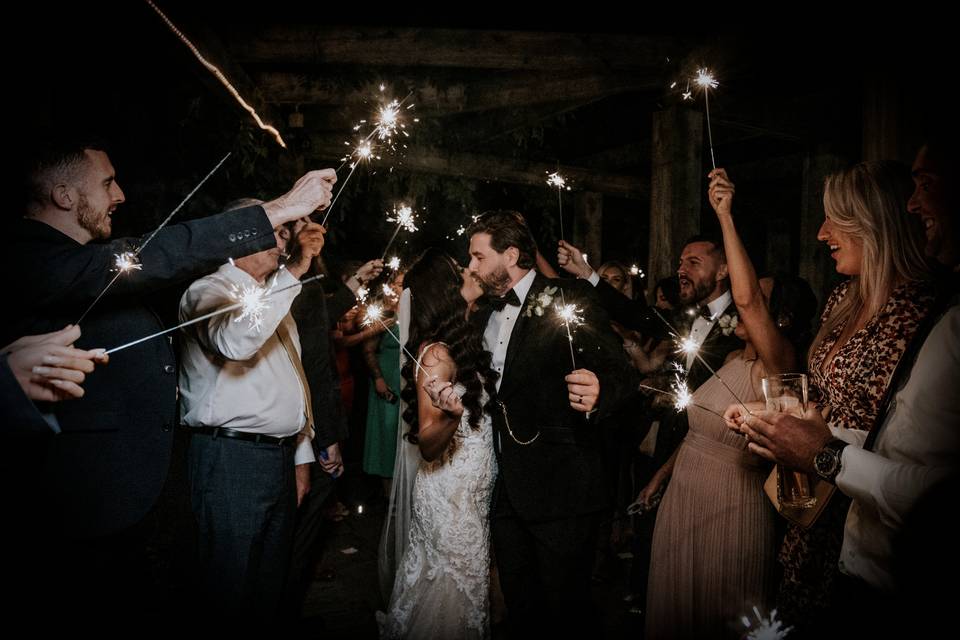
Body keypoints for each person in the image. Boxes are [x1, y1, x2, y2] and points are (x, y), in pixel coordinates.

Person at [3, 136, 335, 622]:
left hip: (131, 497)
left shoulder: (85, 268)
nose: (120, 195)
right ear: (65, 195)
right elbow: (159, 257)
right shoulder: (29, 257)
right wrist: (281, 207)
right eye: (107, 182)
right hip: (85, 500)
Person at [733, 140, 958, 634]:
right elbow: (827, 399)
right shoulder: (842, 299)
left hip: (862, 516)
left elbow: (888, 431)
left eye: (834, 220)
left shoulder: (923, 308)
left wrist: (822, 448)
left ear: (876, 224)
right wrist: (777, 419)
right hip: (807, 497)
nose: (820, 233)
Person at [645, 168, 817, 639]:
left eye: (756, 302)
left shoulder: (778, 365)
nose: (745, 306)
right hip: (684, 500)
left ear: (777, 316)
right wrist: (661, 478)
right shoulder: (731, 359)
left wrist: (724, 215)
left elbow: (744, 298)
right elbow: (698, 430)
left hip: (730, 509)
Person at [466, 210, 634, 636]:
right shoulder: (484, 315)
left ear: (511, 255)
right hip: (505, 490)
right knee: (521, 610)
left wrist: (600, 390)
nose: (471, 268)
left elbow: (621, 371)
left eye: (478, 257)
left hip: (563, 491)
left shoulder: (567, 299)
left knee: (565, 611)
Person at [178, 213, 325, 622]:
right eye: (273, 232)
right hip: (230, 459)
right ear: (235, 238)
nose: (282, 241)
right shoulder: (206, 291)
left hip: (276, 460)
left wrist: (300, 458)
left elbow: (293, 380)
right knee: (228, 590)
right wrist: (295, 270)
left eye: (282, 232)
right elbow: (235, 340)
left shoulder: (273, 296)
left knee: (267, 590)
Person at [378, 248, 499, 639]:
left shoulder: (458, 343)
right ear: (443, 291)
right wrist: (449, 416)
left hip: (467, 494)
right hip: (451, 501)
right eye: (459, 269)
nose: (469, 271)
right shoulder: (436, 356)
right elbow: (429, 444)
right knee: (449, 597)